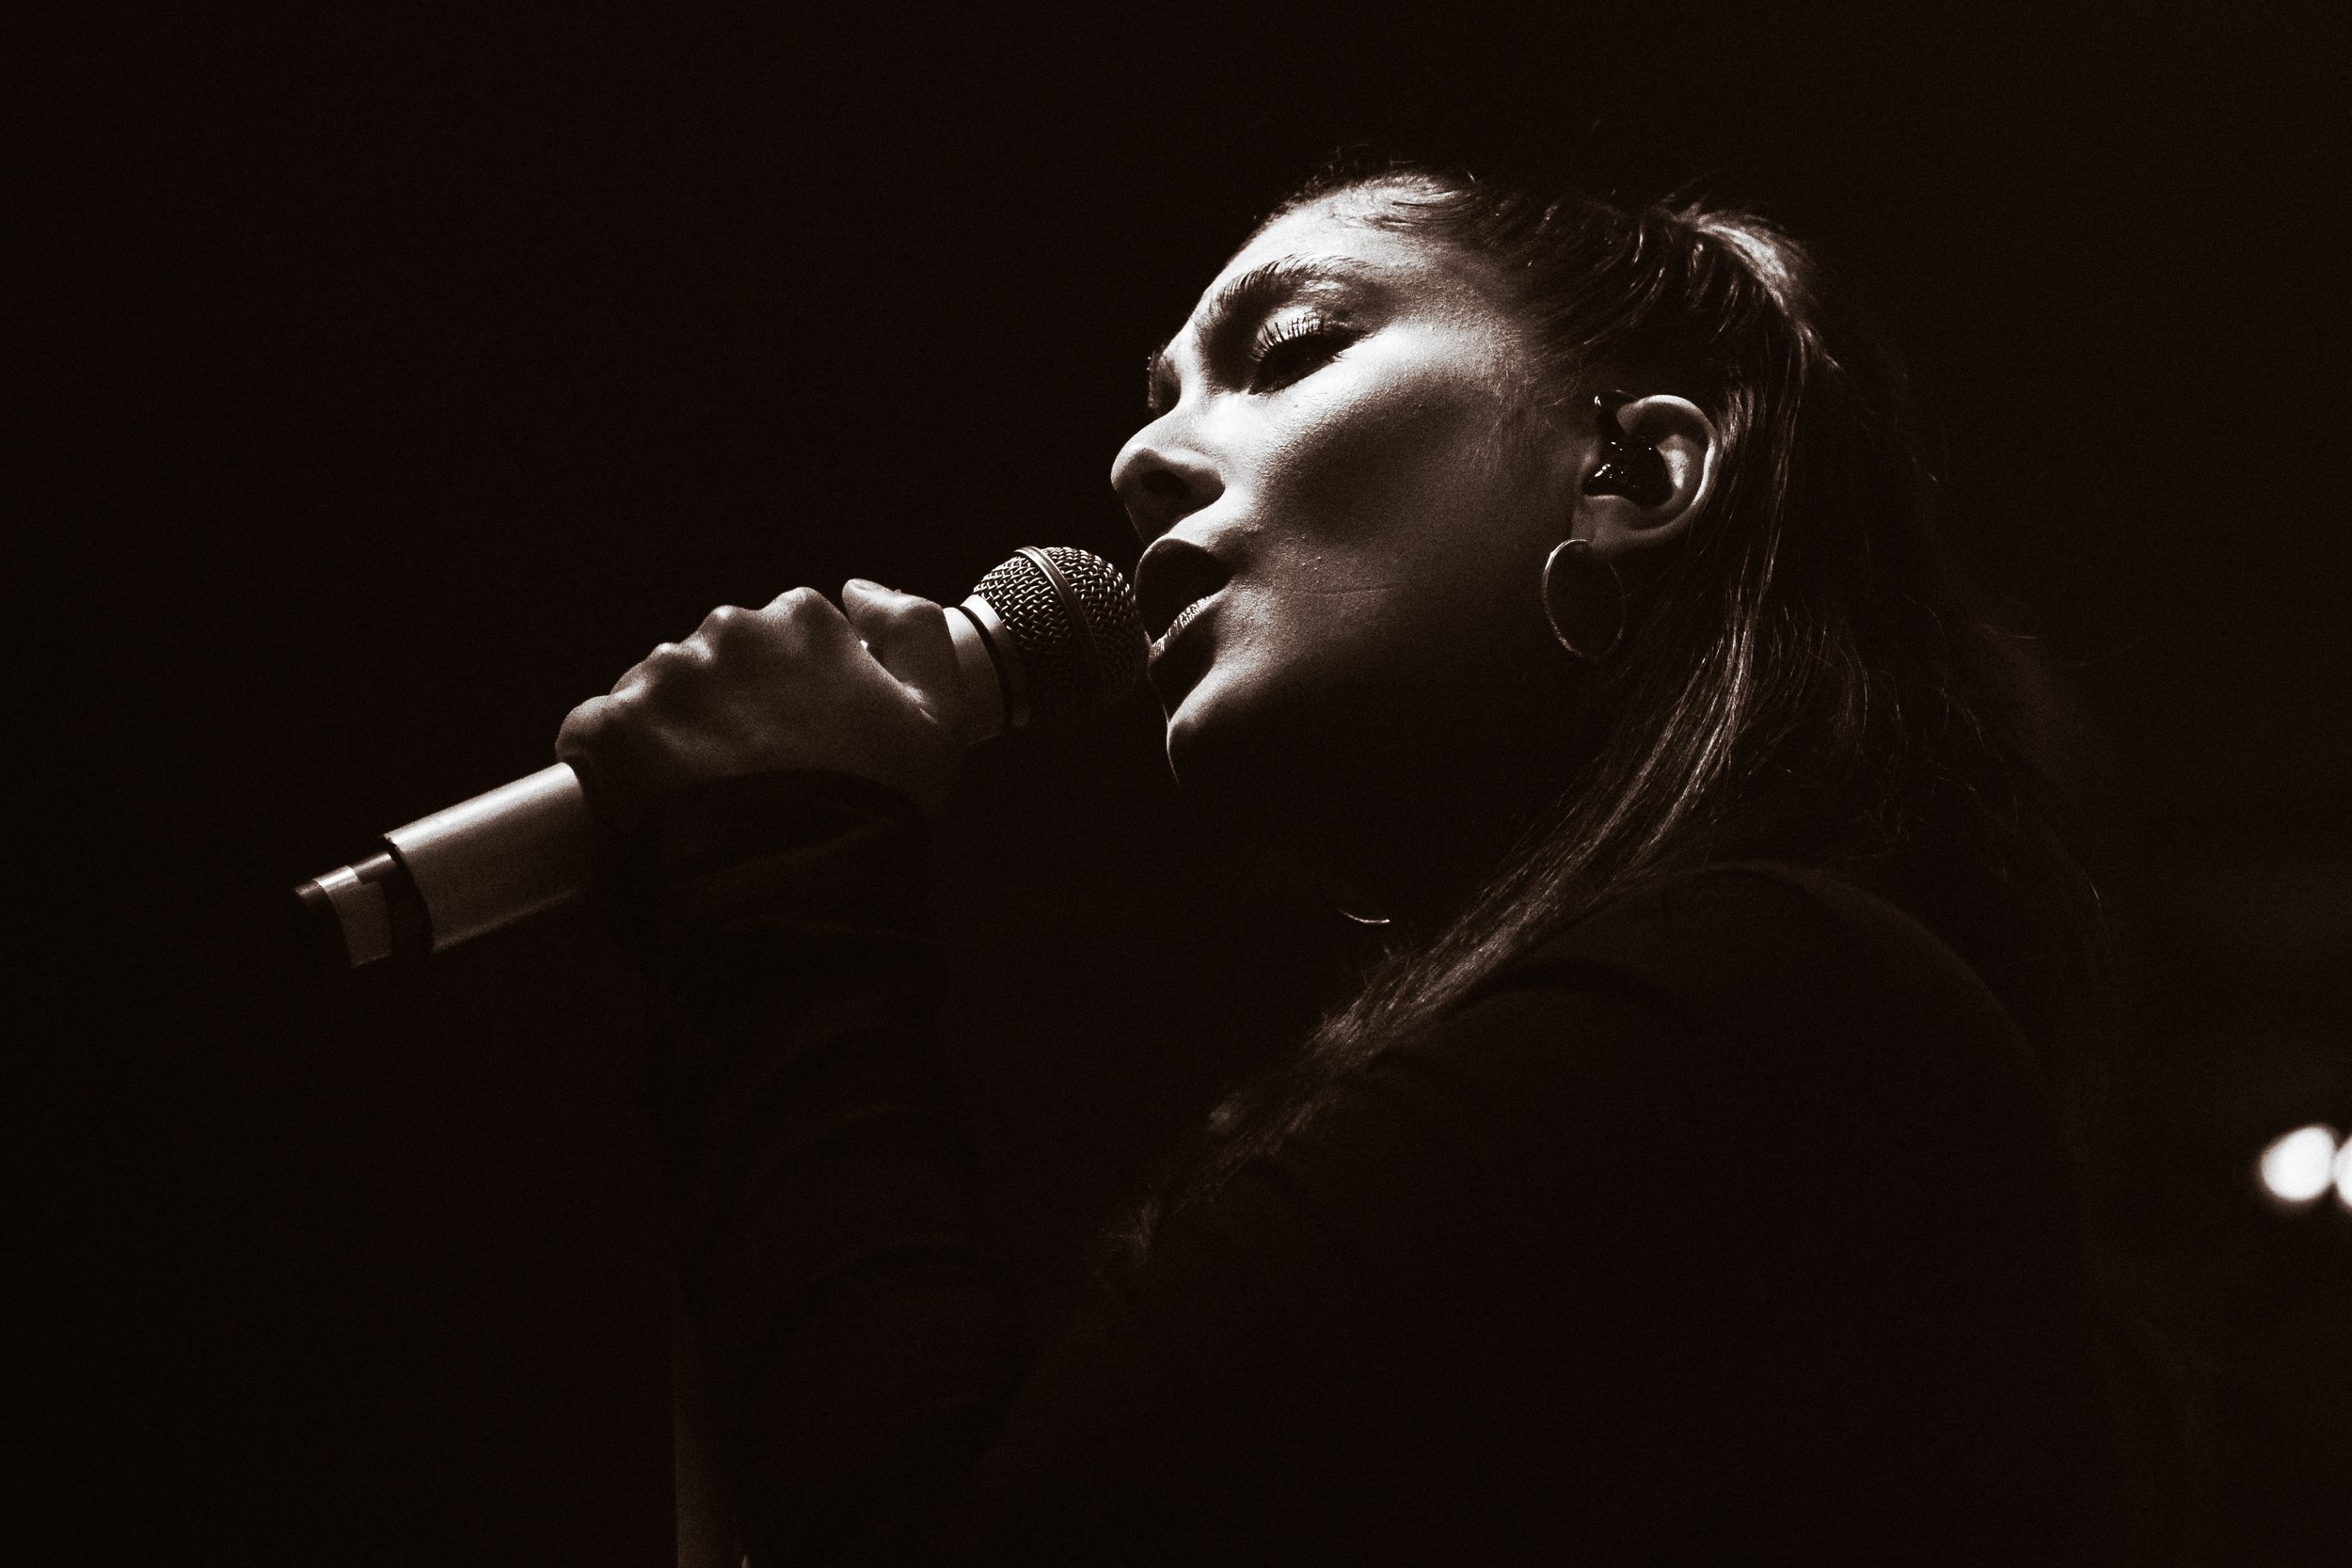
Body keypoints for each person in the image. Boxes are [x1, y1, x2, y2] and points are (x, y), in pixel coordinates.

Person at [556, 160, 2137, 1564]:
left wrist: (784, 880)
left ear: (1635, 474)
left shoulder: (1758, 1000)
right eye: (1161, 391)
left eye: (1291, 351)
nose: (1140, 461)